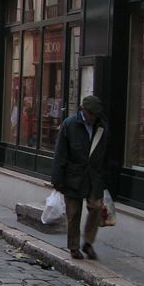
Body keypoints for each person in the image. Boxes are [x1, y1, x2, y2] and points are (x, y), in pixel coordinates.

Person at [51, 95, 108, 260]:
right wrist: (57, 179)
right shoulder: (70, 125)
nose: (93, 118)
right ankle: (74, 247)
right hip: (73, 176)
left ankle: (88, 242)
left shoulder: (101, 127)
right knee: (73, 213)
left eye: (96, 115)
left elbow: (104, 154)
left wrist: (104, 179)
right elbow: (60, 153)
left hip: (93, 176)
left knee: (96, 207)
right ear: (84, 111)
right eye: (91, 114)